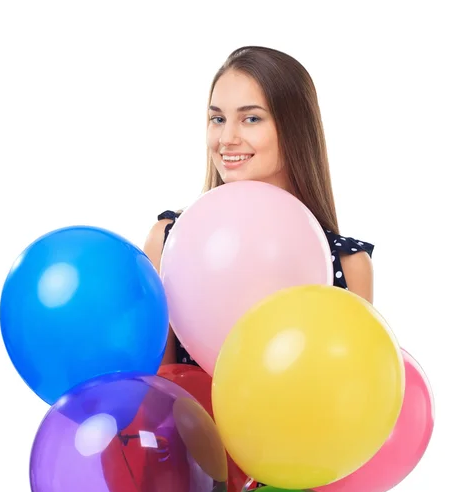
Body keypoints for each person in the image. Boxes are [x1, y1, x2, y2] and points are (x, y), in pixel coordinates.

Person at [144, 45, 375, 368]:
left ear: (294, 128)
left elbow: (352, 400)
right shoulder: (171, 242)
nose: (226, 138)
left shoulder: (349, 265)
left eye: (251, 118)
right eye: (217, 119)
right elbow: (157, 394)